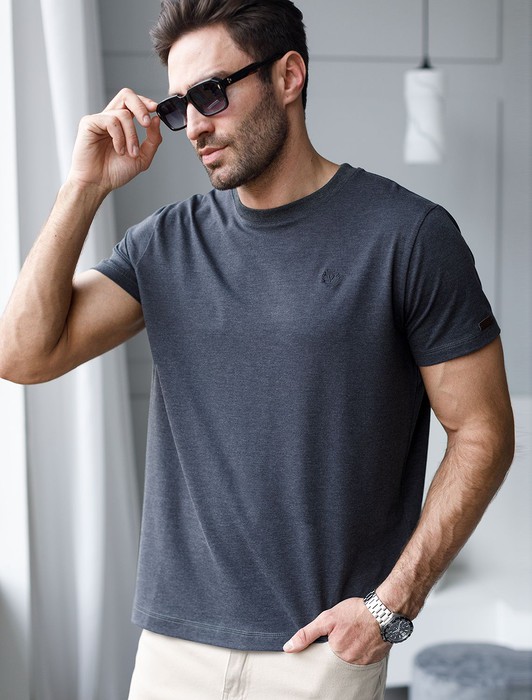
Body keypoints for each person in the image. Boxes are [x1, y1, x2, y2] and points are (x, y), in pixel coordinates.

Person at [0, 1, 515, 698]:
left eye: (212, 93)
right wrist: (82, 186)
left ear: (288, 76)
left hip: (319, 653)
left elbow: (483, 431)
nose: (195, 125)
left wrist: (391, 607)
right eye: (179, 107)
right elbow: (22, 355)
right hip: (172, 650)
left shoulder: (409, 237)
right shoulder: (165, 244)